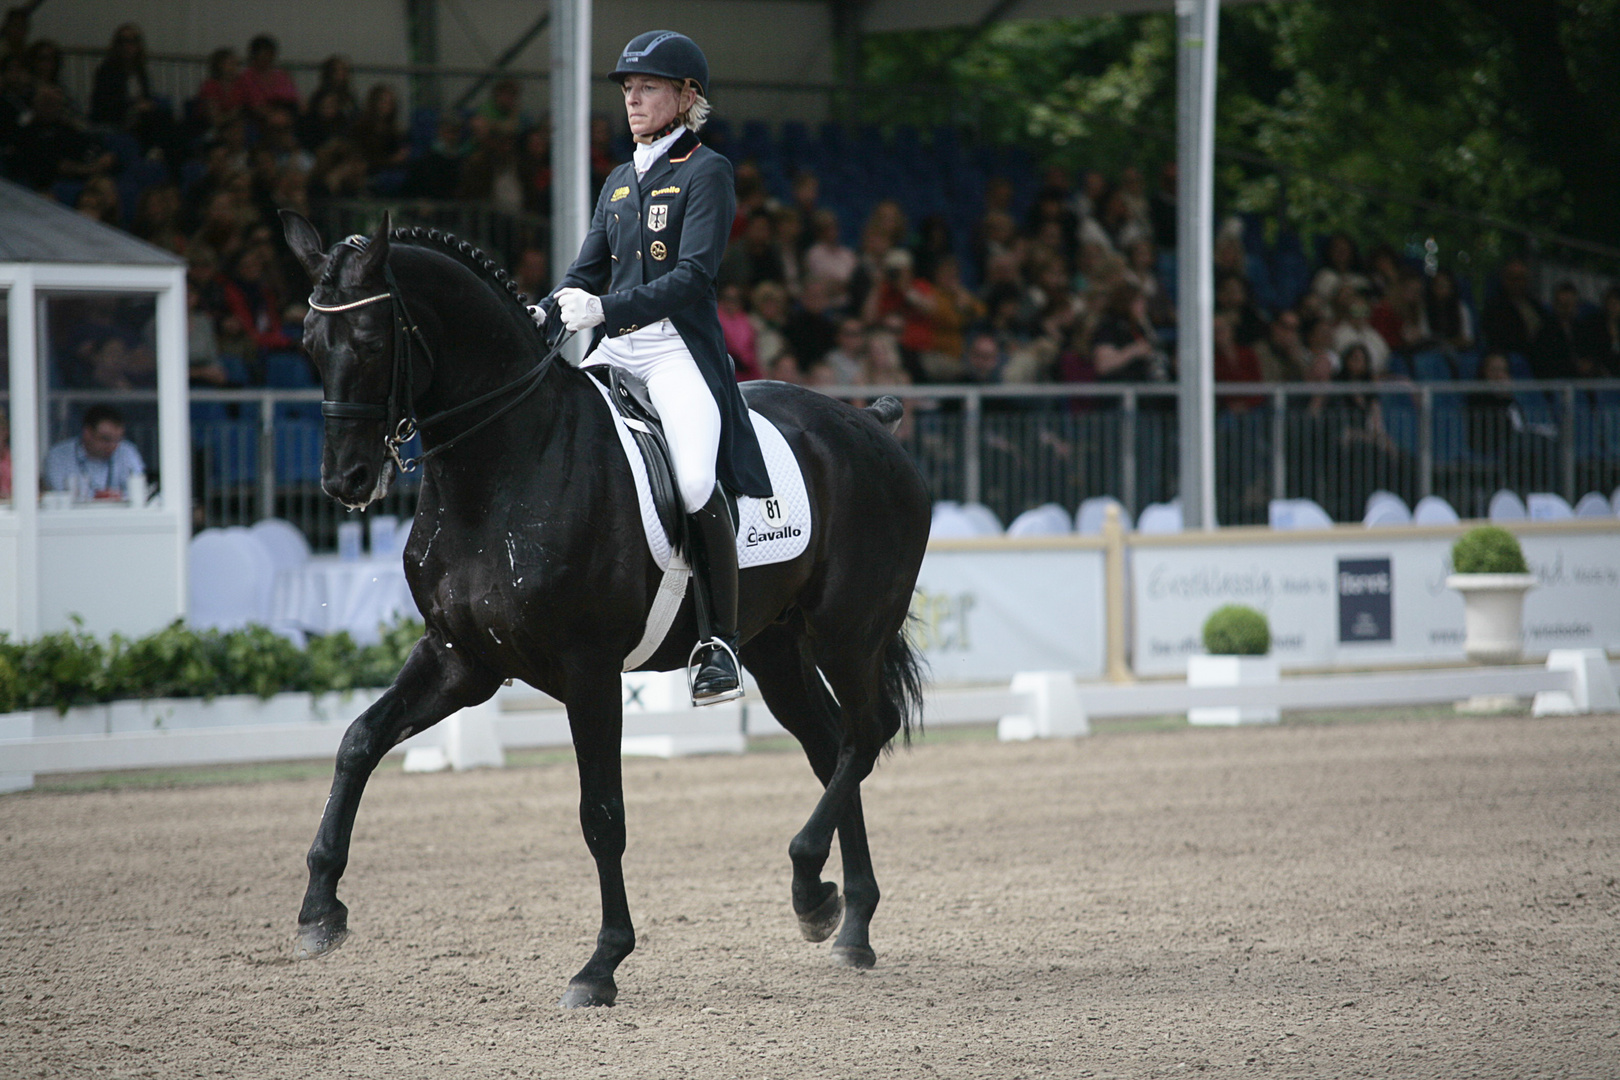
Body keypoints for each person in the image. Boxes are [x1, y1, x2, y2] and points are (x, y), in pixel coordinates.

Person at [544, 30, 771, 706]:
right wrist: (543, 312)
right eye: (627, 88)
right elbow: (581, 273)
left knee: (697, 480)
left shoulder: (708, 171)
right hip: (614, 348)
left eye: (646, 87)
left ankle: (720, 644)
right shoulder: (618, 181)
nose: (632, 98)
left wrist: (601, 310)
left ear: (685, 96)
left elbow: (694, 278)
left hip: (674, 348)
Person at [44, 404, 145, 498]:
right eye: (106, 439)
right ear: (87, 433)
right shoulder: (59, 456)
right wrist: (99, 496)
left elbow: (138, 490)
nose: (113, 446)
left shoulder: (126, 451)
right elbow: (60, 495)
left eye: (118, 440)